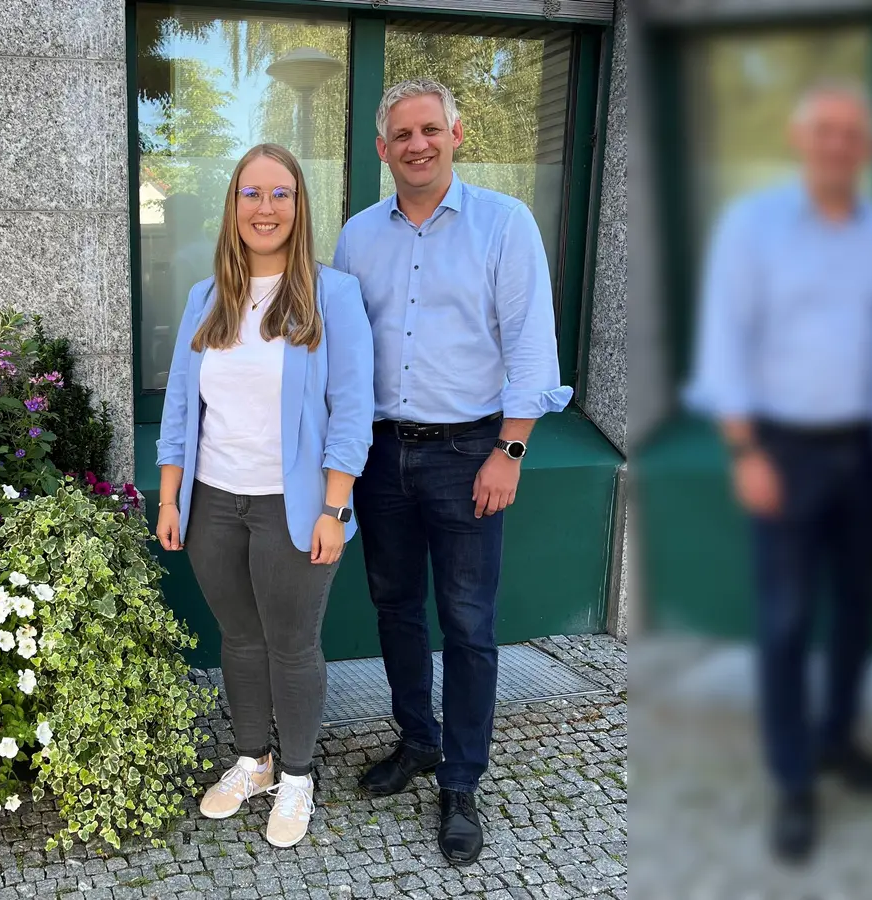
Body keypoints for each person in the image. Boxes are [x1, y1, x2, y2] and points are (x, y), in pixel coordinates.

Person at [333, 79, 571, 866]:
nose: (417, 145)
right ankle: (418, 740)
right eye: (401, 135)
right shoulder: (358, 236)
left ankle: (463, 781)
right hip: (380, 453)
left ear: (456, 134)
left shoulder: (505, 224)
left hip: (471, 451)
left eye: (430, 129)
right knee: (395, 606)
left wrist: (511, 449)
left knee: (468, 623)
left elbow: (532, 343)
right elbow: (339, 348)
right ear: (382, 149)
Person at [683, 80, 872, 863]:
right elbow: (724, 344)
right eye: (825, 132)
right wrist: (746, 450)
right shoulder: (754, 228)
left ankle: (836, 741)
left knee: (858, 607)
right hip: (783, 450)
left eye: (852, 134)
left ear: (869, 149)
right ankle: (792, 781)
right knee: (785, 622)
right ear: (799, 139)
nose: (838, 146)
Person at [154, 142, 375, 849]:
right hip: (214, 502)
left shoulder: (331, 294)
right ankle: (253, 759)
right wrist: (169, 498)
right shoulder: (205, 296)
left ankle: (300, 775)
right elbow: (181, 411)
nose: (266, 208)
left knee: (292, 644)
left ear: (299, 206)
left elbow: (351, 408)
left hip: (296, 504)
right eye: (252, 193)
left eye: (281, 194)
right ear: (233, 206)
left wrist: (335, 508)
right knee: (240, 640)